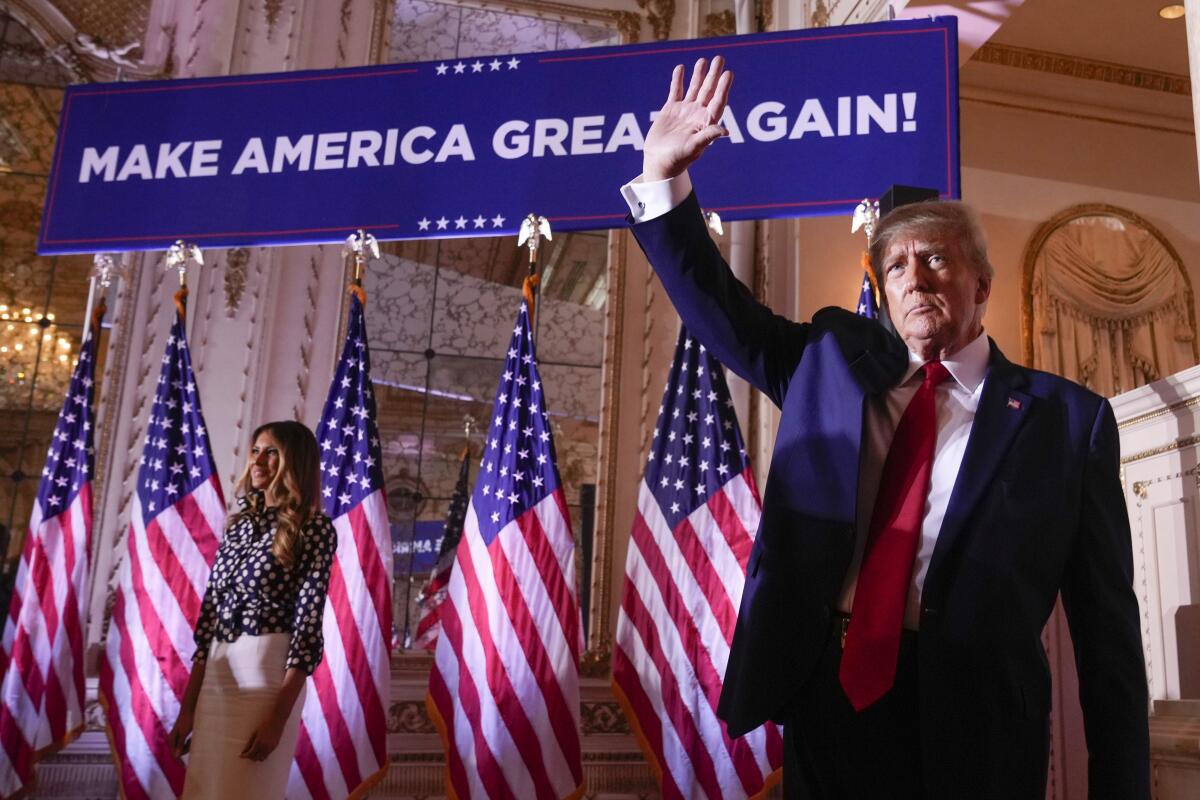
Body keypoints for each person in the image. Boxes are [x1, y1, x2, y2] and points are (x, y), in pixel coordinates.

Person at [621, 56, 1149, 799]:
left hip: (983, 727)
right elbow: (720, 312)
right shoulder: (829, 363)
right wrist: (662, 179)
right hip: (834, 704)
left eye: (936, 258)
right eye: (896, 267)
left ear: (982, 286)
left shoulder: (1068, 422)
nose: (916, 278)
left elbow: (1107, 634)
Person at [167, 420, 337, 799]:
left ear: (295, 462)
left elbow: (307, 626)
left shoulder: (314, 528)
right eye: (256, 450)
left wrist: (277, 719)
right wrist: (188, 708)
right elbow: (209, 617)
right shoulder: (238, 526)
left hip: (264, 674)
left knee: (241, 789)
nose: (259, 460)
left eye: (272, 451)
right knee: (202, 790)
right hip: (216, 672)